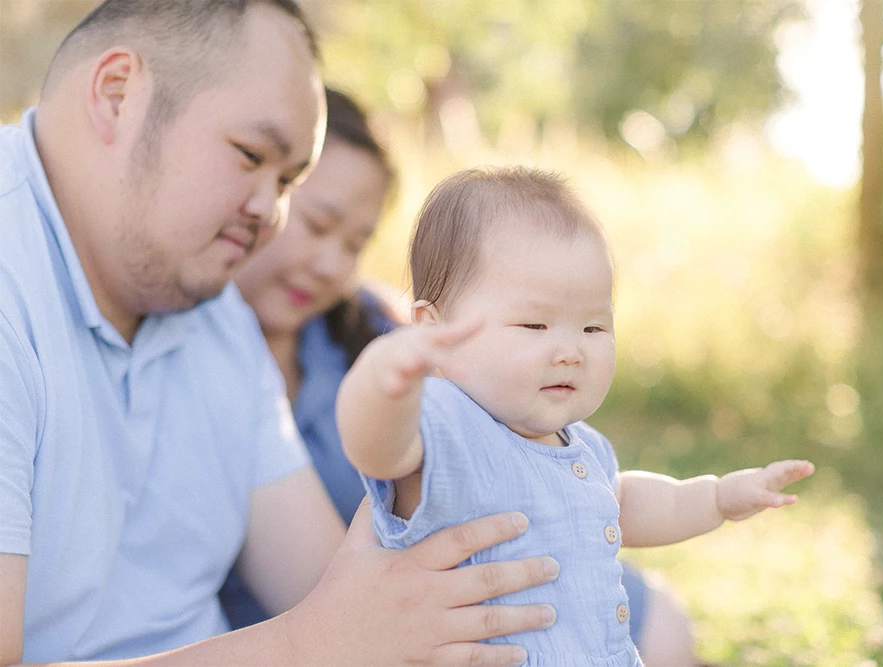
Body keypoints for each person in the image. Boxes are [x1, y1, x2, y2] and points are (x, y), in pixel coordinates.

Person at [0, 2, 559, 665]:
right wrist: (307, 643)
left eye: (289, 180)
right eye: (250, 155)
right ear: (117, 94)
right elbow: (324, 628)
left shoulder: (212, 311)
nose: (270, 212)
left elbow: (322, 583)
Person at [221, 88, 704, 666]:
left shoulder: (367, 325)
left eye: (355, 244)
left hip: (538, 600)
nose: (331, 265)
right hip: (385, 627)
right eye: (317, 225)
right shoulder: (237, 356)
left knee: (656, 620)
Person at [336, 166, 816, 666]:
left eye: (593, 328)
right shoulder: (446, 425)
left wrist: (716, 497)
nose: (570, 351)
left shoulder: (581, 447)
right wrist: (380, 383)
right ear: (434, 331)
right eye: (534, 325)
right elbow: (377, 448)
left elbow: (625, 503)